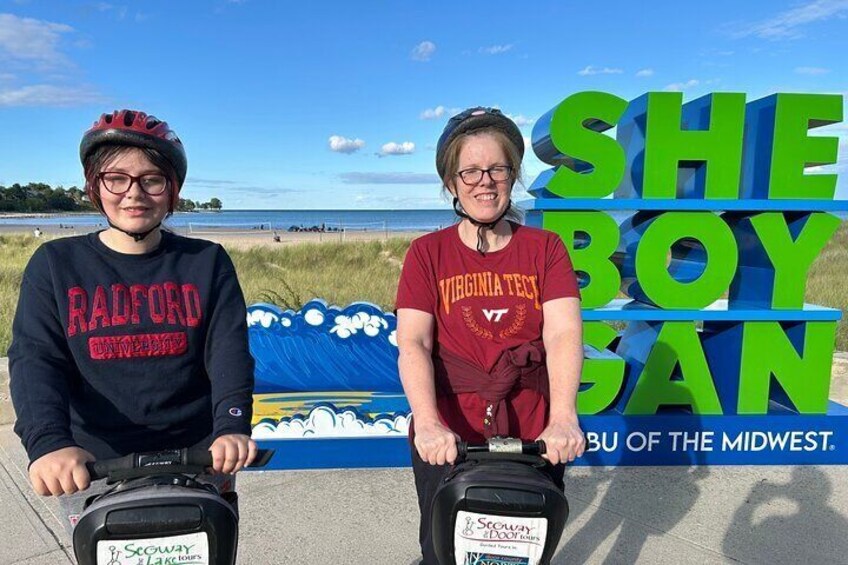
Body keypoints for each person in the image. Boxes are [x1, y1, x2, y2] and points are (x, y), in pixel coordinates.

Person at [9, 109, 257, 531]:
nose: (134, 194)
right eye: (116, 179)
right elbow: (36, 359)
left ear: (172, 189)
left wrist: (232, 426)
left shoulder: (207, 261)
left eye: (152, 180)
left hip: (197, 456)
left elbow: (228, 353)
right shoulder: (55, 264)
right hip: (91, 463)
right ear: (95, 186)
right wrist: (48, 443)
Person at [395, 107, 585, 563]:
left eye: (497, 169)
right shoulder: (427, 253)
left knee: (520, 548)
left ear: (513, 175)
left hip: (532, 428)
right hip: (450, 433)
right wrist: (428, 422)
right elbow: (414, 342)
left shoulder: (545, 248)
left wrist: (563, 418)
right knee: (443, 547)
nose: (485, 182)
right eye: (471, 171)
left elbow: (563, 334)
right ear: (452, 183)